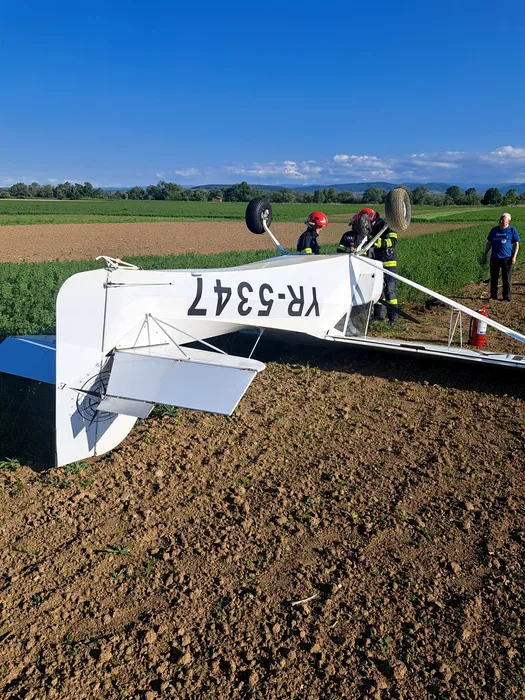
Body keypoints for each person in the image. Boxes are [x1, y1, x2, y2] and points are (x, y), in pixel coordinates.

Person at [481, 213, 520, 302]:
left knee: (506, 278)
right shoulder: (494, 230)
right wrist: (485, 254)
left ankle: (506, 297)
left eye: (503, 220)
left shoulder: (512, 230)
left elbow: (516, 244)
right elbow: (489, 243)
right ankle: (493, 296)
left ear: (508, 221)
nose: (501, 221)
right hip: (495, 257)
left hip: (507, 258)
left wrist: (514, 256)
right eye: (500, 220)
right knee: (493, 278)